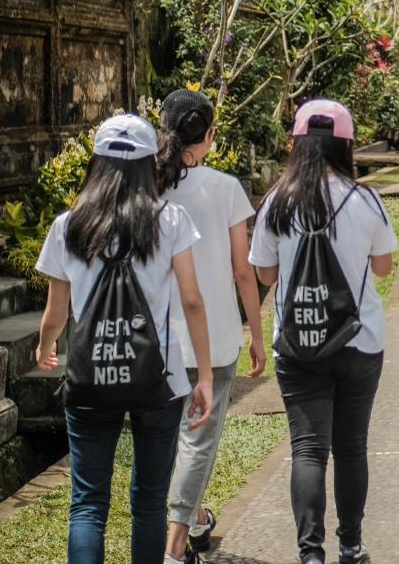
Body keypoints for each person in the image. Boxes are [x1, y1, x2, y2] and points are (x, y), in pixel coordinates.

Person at [33, 114, 213, 564]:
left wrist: (45, 346)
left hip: (91, 375)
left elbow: (56, 313)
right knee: (149, 500)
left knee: (88, 503)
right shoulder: (169, 219)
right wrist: (206, 376)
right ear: (150, 164)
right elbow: (192, 301)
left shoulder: (68, 226)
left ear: (96, 163)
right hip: (159, 379)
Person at [250, 100, 396, 564]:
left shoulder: (276, 201)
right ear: (345, 146)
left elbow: (266, 275)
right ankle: (350, 546)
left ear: (297, 145)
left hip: (298, 343)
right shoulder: (365, 199)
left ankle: (310, 554)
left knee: (308, 451)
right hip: (359, 340)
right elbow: (383, 267)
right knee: (351, 448)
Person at [156, 90, 266, 564]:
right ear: (209, 135)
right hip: (216, 338)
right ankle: (175, 548)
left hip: (161, 340)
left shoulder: (149, 188)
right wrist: (256, 333)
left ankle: (197, 518)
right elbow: (244, 271)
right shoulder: (225, 188)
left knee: (169, 440)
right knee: (198, 441)